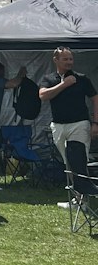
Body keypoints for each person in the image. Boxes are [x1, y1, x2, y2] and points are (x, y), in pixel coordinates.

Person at [40, 46, 98, 177]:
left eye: (71, 59)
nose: (69, 62)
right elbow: (43, 96)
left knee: (79, 160)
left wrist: (95, 123)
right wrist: (64, 84)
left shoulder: (81, 79)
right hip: (58, 125)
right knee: (67, 161)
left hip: (80, 124)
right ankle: (76, 192)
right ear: (56, 60)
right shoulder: (49, 79)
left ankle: (81, 195)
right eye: (65, 59)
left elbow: (95, 99)